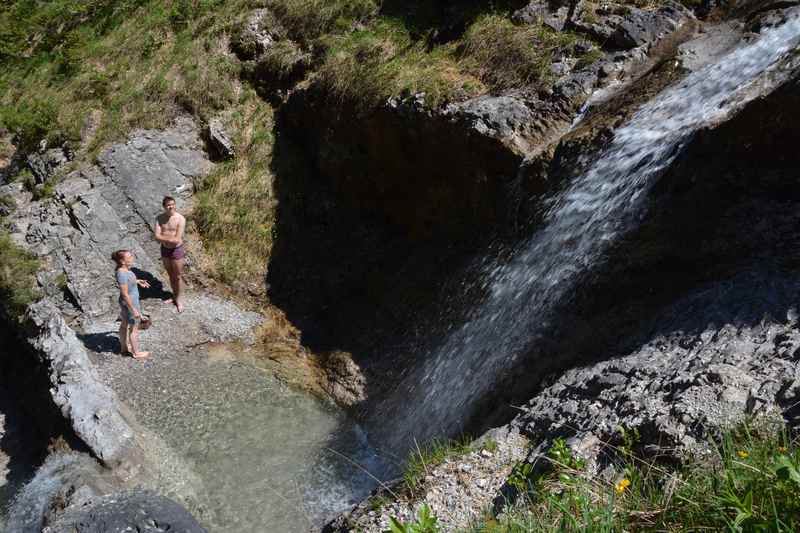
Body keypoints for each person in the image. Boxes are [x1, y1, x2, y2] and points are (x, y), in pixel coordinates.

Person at [112, 249, 150, 359]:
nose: (132, 257)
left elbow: (128, 282)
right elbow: (124, 294)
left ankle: (124, 348)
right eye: (130, 256)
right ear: (123, 261)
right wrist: (133, 309)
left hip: (127, 303)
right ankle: (136, 353)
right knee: (134, 328)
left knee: (124, 323)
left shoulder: (124, 271)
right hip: (130, 303)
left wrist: (138, 282)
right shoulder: (122, 274)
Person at [154, 196, 186, 312]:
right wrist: (167, 238)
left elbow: (177, 239)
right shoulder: (159, 218)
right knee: (170, 275)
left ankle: (179, 299)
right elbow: (156, 237)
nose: (171, 206)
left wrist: (163, 238)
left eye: (172, 204)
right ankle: (174, 296)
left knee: (177, 276)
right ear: (164, 206)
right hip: (165, 250)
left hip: (176, 250)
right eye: (168, 205)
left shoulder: (180, 219)